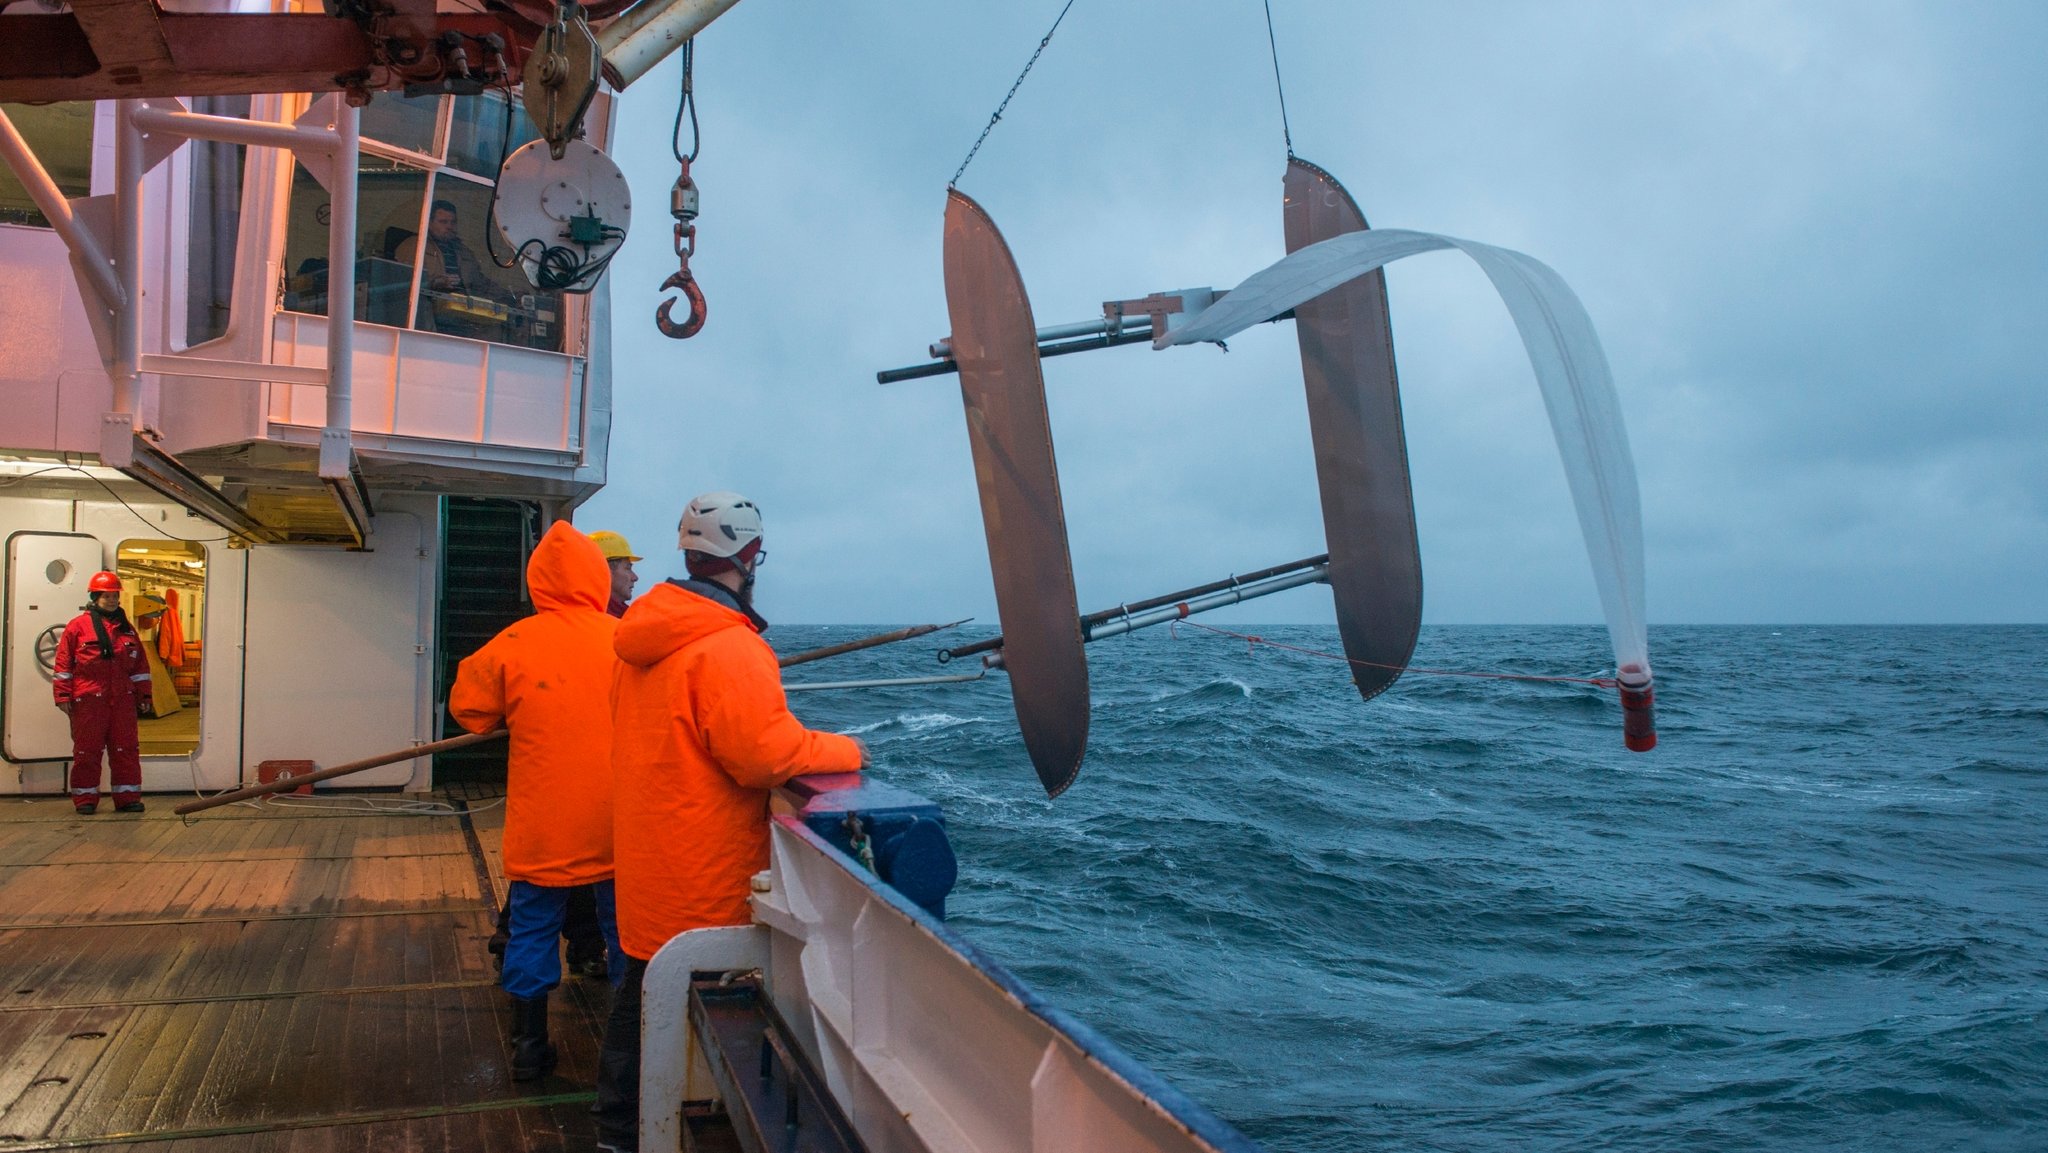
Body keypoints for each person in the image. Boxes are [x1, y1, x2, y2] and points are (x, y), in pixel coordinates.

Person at [593, 491, 866, 1152]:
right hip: (704, 875)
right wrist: (847, 750)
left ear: (689, 555)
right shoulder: (731, 650)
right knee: (704, 1008)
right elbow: (765, 755)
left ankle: (615, 1129)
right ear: (748, 556)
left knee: (640, 994)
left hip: (647, 868)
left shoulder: (639, 641)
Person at [450, 523, 625, 1082]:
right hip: (617, 819)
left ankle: (529, 1046)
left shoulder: (514, 643)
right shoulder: (626, 638)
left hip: (543, 823)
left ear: (538, 582)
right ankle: (633, 1039)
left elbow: (471, 712)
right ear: (598, 578)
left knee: (532, 926)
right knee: (625, 927)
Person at [53, 572, 152, 815]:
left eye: (114, 595)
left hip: (122, 701)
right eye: (106, 596)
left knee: (125, 749)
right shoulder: (78, 627)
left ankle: (128, 797)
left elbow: (140, 667)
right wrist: (62, 696)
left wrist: (145, 696)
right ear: (95, 597)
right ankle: (85, 799)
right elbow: (64, 664)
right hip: (88, 700)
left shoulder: (127, 630)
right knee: (87, 750)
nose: (111, 600)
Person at [403, 199, 515, 336]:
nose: (450, 226)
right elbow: (402, 283)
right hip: (428, 320)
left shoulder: (464, 252)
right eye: (443, 222)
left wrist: (511, 296)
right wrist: (436, 282)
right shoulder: (413, 246)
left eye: (453, 222)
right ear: (429, 222)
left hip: (464, 322)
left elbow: (482, 284)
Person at [588, 531, 641, 618]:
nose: (635, 578)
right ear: (606, 570)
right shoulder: (595, 619)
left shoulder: (626, 617)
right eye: (628, 568)